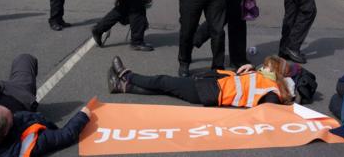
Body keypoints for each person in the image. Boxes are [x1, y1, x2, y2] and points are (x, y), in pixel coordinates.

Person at [0, 54, 91, 156]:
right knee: (25, 59)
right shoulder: (24, 143)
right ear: (6, 131)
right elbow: (66, 135)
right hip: (17, 94)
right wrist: (84, 114)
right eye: (10, 115)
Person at [107, 55, 294, 107]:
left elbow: (270, 110)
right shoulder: (262, 78)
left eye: (267, 66)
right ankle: (122, 87)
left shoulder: (272, 91)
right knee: (167, 89)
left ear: (274, 71)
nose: (264, 67)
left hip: (209, 91)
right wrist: (248, 71)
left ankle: (126, 75)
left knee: (163, 81)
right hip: (211, 85)